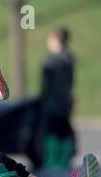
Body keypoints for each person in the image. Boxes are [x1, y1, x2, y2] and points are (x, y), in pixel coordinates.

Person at [41, 27, 75, 169]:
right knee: (64, 129)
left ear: (55, 39)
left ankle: (51, 161)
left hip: (52, 100)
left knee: (51, 130)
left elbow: (46, 84)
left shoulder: (51, 60)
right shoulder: (69, 58)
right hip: (65, 99)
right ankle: (63, 162)